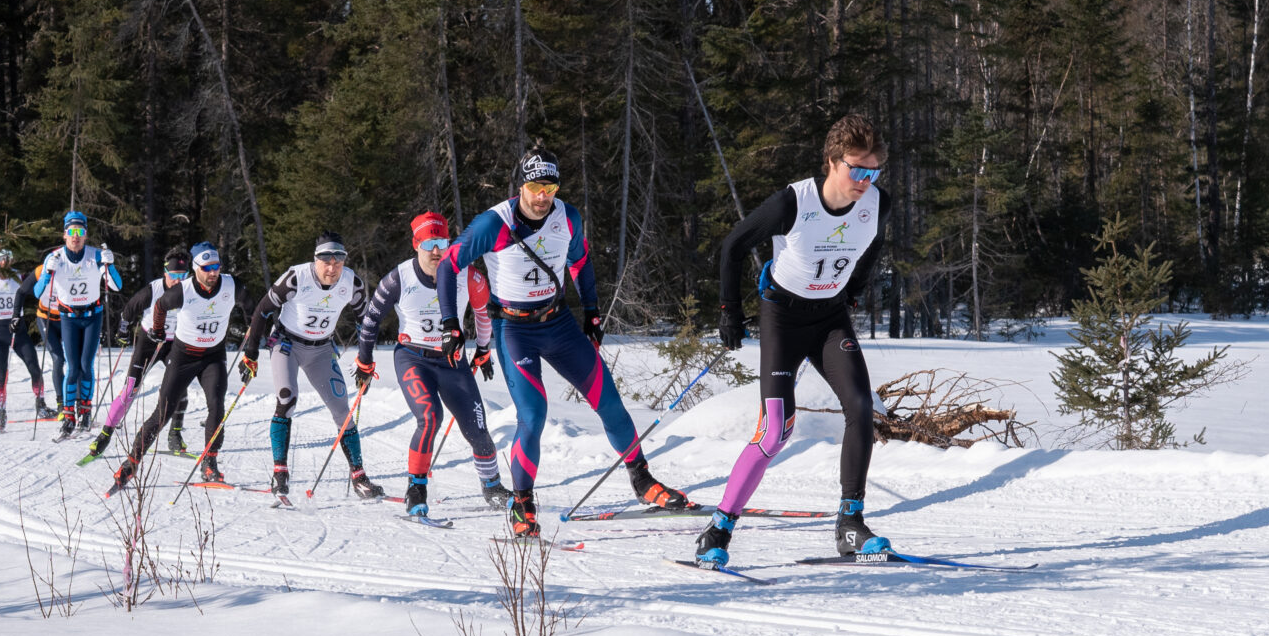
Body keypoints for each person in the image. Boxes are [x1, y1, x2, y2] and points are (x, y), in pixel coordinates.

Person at [439, 152, 690, 538]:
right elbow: (447, 265)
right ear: (520, 186)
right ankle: (522, 503)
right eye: (536, 188)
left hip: (558, 323)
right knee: (534, 416)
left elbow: (581, 261)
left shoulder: (567, 216)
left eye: (550, 188)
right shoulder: (494, 223)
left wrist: (591, 312)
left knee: (609, 402)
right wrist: (451, 324)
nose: (543, 197)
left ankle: (643, 481)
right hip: (513, 328)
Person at [696, 113, 891, 568]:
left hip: (829, 318)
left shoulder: (879, 203)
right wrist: (729, 312)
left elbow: (874, 245)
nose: (864, 180)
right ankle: (719, 527)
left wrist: (855, 287)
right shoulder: (794, 202)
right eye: (856, 169)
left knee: (862, 409)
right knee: (775, 432)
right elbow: (733, 246)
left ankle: (850, 524)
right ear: (831, 162)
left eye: (873, 170)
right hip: (783, 319)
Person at [357, 212, 506, 519]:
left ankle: (492, 487)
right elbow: (371, 320)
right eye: (429, 243)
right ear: (416, 244)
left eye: (442, 242)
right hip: (413, 357)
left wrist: (482, 349)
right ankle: (416, 488)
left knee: (477, 428)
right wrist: (365, 360)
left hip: (453, 361)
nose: (437, 250)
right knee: (429, 416)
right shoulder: (399, 278)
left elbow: (483, 312)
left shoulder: (467, 274)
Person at [241, 232, 383, 500]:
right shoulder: (297, 278)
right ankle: (280, 474)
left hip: (321, 350)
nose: (332, 269)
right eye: (325, 262)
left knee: (342, 409)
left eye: (338, 262)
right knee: (287, 399)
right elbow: (262, 309)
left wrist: (365, 360)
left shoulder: (352, 283)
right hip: (286, 345)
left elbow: (365, 323)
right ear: (315, 259)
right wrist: (251, 354)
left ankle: (359, 477)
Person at [106, 243, 239, 492]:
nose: (213, 273)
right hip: (183, 356)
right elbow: (159, 306)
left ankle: (210, 462)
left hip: (213, 356)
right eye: (207, 268)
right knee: (163, 411)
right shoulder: (183, 290)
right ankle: (131, 462)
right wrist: (156, 330)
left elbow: (260, 307)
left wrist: (261, 337)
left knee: (216, 403)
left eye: (216, 267)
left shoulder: (230, 285)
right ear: (197, 268)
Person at [86, 247, 191, 459]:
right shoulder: (152, 291)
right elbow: (128, 311)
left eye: (183, 276)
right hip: (149, 342)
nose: (178, 281)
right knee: (130, 389)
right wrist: (123, 331)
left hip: (175, 343)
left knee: (181, 388)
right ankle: (105, 435)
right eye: (174, 276)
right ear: (165, 273)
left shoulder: (190, 290)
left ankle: (175, 435)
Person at [36, 212, 119, 435]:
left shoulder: (95, 255)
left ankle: (85, 411)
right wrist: (47, 274)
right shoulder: (54, 257)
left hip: (93, 316)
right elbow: (37, 292)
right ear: (64, 235)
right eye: (71, 232)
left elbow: (117, 286)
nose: (76, 237)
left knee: (86, 365)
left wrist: (109, 266)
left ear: (85, 235)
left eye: (80, 232)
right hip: (69, 318)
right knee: (72, 367)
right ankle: (69, 415)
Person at [0, 248, 49, 431]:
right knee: (1, 375)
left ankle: (40, 404)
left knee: (34, 367)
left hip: (18, 331)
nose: (4, 262)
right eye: (0, 258)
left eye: (7, 258)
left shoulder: (19, 276)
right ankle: (0, 412)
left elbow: (37, 288)